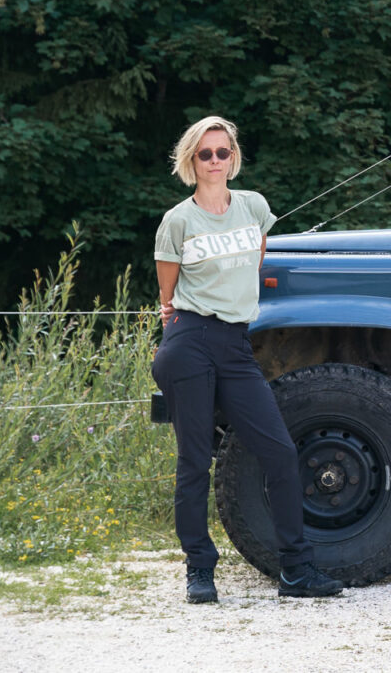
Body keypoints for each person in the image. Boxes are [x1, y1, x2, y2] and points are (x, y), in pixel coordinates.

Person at [150, 115, 343, 603]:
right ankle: (199, 571)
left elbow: (252, 266)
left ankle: (295, 572)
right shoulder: (178, 220)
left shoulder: (254, 208)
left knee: (278, 451)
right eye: (205, 154)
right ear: (190, 161)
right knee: (194, 460)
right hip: (190, 339)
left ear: (233, 158)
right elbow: (167, 296)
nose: (215, 161)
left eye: (223, 152)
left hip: (236, 344)